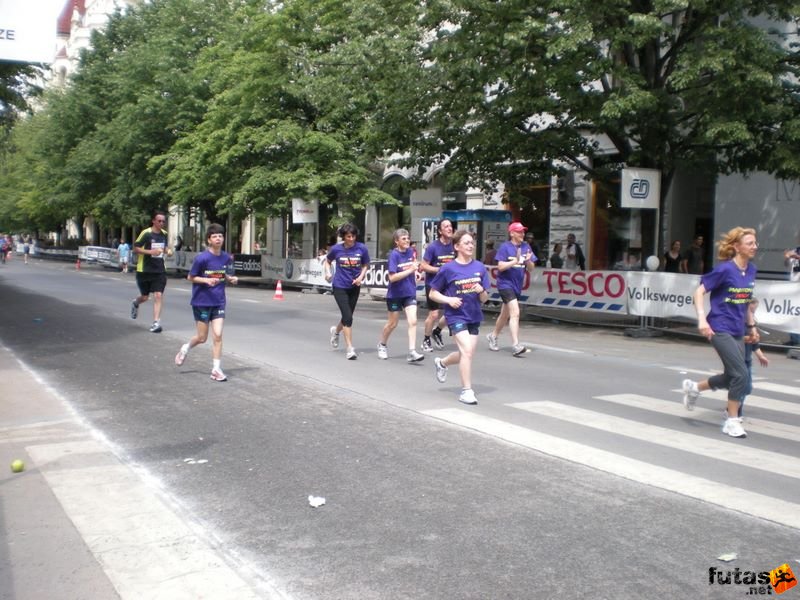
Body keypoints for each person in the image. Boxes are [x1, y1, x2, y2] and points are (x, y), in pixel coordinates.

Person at [681, 227, 758, 439]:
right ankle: (731, 421)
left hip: (737, 330)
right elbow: (699, 291)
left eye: (755, 243)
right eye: (750, 243)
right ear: (737, 247)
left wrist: (751, 327)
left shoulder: (751, 270)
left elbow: (745, 301)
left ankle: (694, 387)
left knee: (731, 376)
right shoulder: (724, 270)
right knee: (742, 374)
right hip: (718, 327)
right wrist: (702, 318)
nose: (754, 247)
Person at [428, 230, 490, 405]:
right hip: (456, 316)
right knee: (467, 351)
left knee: (467, 353)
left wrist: (482, 291)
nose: (470, 245)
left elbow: (485, 299)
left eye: (471, 242)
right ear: (457, 247)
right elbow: (433, 293)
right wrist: (449, 299)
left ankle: (442, 363)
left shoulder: (479, 267)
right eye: (466, 243)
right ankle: (466, 391)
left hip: (474, 315)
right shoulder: (448, 268)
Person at [174, 224, 238, 381]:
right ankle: (185, 348)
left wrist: (231, 279)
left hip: (219, 302)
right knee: (202, 338)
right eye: (215, 236)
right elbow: (190, 277)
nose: (218, 238)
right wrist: (206, 280)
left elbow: (224, 275)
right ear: (209, 240)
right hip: (202, 301)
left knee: (217, 335)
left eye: (220, 236)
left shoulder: (226, 257)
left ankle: (216, 369)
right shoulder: (201, 258)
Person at [486, 222, 536, 357]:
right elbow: (500, 267)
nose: (522, 234)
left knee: (505, 314)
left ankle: (493, 335)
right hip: (504, 284)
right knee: (515, 312)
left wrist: (528, 261)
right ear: (512, 233)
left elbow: (531, 269)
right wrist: (515, 261)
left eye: (523, 231)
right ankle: (516, 345)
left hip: (517, 286)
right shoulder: (505, 247)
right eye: (519, 231)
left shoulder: (526, 247)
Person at [377, 228, 425, 363]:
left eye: (408, 238)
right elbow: (392, 278)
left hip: (409, 293)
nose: (407, 240)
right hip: (395, 294)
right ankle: (382, 344)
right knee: (392, 324)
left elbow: (414, 264)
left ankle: (412, 352)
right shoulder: (394, 255)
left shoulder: (411, 251)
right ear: (396, 241)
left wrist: (416, 272)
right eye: (403, 239)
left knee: (413, 321)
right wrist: (410, 270)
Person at [325, 223, 370, 360]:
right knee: (348, 317)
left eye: (353, 236)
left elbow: (365, 264)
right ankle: (350, 348)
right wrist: (328, 273)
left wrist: (361, 277)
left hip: (354, 287)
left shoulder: (361, 248)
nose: (351, 239)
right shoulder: (336, 249)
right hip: (339, 286)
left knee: (347, 316)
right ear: (343, 237)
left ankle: (336, 331)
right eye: (348, 236)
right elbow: (327, 261)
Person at [130, 211, 171, 333]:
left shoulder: (164, 234)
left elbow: (165, 247)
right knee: (145, 297)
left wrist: (168, 250)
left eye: (163, 221)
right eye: (159, 221)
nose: (162, 223)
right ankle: (136, 302)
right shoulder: (146, 233)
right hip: (144, 270)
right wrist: (151, 252)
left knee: (158, 295)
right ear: (153, 221)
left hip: (159, 270)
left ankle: (156, 322)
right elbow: (136, 248)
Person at [420, 219, 455, 352]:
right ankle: (426, 339)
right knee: (434, 314)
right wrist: (439, 270)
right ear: (440, 231)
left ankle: (437, 331)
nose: (449, 228)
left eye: (450, 226)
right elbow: (423, 265)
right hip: (434, 283)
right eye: (446, 226)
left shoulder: (454, 246)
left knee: (452, 310)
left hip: (449, 284)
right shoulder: (433, 247)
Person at [740, 298, 769, 418]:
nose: (752, 314)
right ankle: (735, 412)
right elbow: (733, 339)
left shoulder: (752, 325)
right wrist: (749, 338)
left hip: (747, 360)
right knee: (741, 387)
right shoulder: (739, 323)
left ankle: (733, 408)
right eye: (751, 310)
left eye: (754, 311)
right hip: (738, 358)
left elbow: (755, 345)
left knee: (747, 388)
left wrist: (761, 356)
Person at [783, 243, 800, 353]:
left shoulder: (796, 254)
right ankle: (793, 339)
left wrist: (797, 257)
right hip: (792, 287)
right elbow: (787, 265)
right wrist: (787, 257)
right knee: (792, 313)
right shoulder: (795, 250)